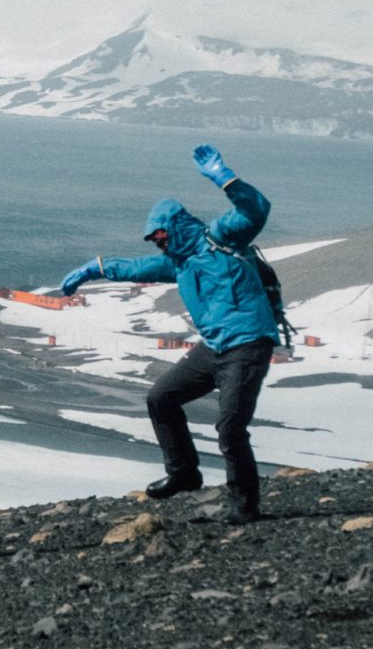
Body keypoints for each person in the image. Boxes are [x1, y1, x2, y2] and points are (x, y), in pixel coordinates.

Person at [60, 144, 276, 523]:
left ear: (174, 225)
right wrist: (95, 269)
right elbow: (137, 268)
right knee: (161, 398)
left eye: (159, 236)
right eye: (154, 240)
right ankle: (184, 473)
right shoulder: (179, 264)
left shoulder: (222, 238)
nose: (157, 243)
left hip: (247, 344)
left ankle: (245, 507)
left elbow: (256, 209)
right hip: (214, 349)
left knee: (229, 427)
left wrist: (223, 178)